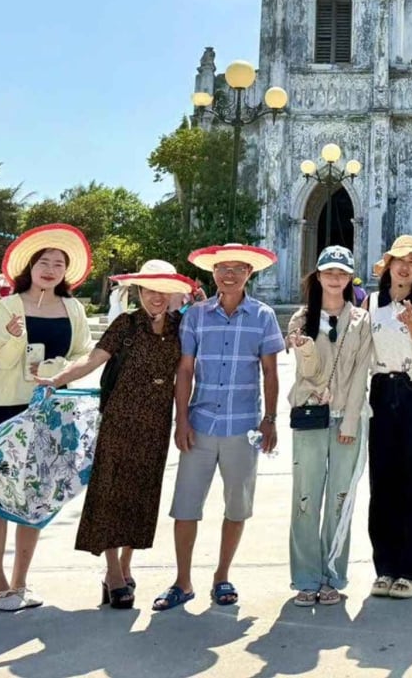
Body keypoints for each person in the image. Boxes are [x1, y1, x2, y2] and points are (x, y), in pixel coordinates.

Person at [40, 259, 195, 610]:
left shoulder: (181, 327)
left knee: (142, 495)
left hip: (156, 423)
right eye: (149, 289)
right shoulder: (125, 325)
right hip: (119, 421)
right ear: (138, 292)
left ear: (172, 293)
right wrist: (59, 378)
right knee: (110, 492)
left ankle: (126, 566)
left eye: (162, 290)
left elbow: (189, 370)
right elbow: (94, 360)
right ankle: (112, 572)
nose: (156, 297)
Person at [156, 243, 283, 612]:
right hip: (201, 421)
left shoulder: (263, 315)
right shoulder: (196, 315)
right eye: (222, 268)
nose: (229, 274)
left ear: (249, 273)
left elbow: (270, 371)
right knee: (185, 506)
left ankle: (222, 574)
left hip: (243, 425)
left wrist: (270, 418)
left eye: (238, 268)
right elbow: (184, 369)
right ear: (213, 274)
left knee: (237, 506)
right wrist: (181, 419)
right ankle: (183, 580)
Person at [0, 224, 94, 612]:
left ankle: (21, 582)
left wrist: (61, 369)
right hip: (9, 406)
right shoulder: (10, 305)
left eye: (59, 264)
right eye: (44, 261)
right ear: (30, 266)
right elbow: (4, 359)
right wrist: (13, 335)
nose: (51, 269)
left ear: (66, 272)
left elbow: (83, 352)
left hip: (51, 409)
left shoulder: (73, 308)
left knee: (35, 498)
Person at [285, 246, 373, 606]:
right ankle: (306, 578)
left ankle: (333, 576)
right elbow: (308, 373)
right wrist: (305, 348)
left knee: (340, 498)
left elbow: (360, 374)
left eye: (342, 273)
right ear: (317, 276)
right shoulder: (301, 319)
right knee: (305, 497)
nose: (335, 279)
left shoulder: (362, 320)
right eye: (328, 272)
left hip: (347, 419)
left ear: (350, 278)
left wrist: (350, 419)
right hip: (310, 415)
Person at [365, 234, 412, 600]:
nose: (405, 267)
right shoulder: (370, 302)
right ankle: (386, 567)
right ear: (389, 266)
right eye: (399, 260)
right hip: (382, 391)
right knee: (383, 482)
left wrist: (411, 321)